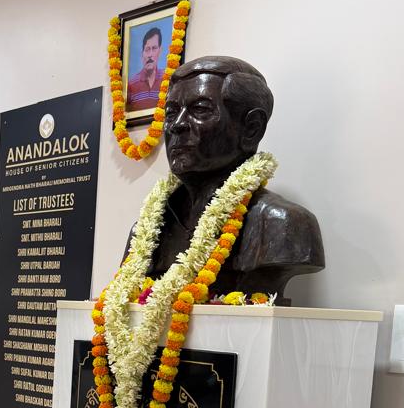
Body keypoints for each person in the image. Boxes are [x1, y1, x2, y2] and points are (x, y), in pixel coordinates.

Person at [126, 55, 324, 298]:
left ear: (251, 128)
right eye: (171, 112)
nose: (177, 125)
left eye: (200, 109)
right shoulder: (147, 231)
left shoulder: (282, 223)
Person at [126, 26, 165, 112]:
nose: (150, 54)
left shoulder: (167, 78)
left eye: (154, 48)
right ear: (142, 54)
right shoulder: (131, 84)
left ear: (160, 51)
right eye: (147, 49)